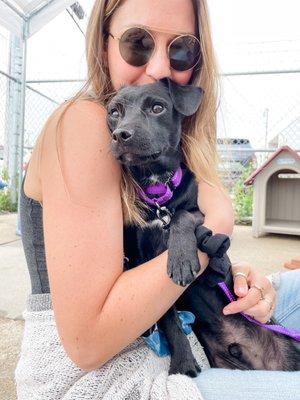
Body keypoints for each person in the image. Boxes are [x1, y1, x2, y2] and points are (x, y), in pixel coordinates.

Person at [14, 0, 300, 399]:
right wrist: (213, 226)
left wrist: (230, 271)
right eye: (138, 43)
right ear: (103, 45)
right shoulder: (85, 123)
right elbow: (88, 343)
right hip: (109, 375)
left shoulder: (169, 143)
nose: (161, 68)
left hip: (185, 331)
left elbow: (155, 259)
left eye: (181, 50)